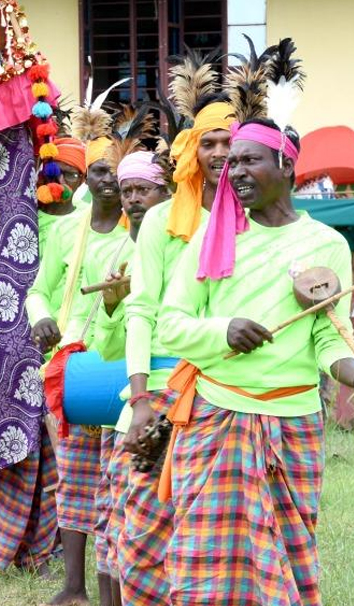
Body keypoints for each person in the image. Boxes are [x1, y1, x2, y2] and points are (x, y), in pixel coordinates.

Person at [157, 116, 354, 605]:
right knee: (204, 565)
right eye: (232, 163)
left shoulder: (326, 244)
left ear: (286, 165)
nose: (236, 171)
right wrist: (224, 329)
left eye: (250, 160)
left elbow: (330, 337)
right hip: (216, 416)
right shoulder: (213, 236)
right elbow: (170, 325)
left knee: (287, 559)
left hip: (294, 425)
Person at [116, 95, 237, 605]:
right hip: (165, 381)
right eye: (209, 143)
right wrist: (140, 398)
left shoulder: (253, 220)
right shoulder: (161, 221)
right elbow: (141, 310)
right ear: (192, 150)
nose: (219, 153)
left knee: (216, 526)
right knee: (145, 521)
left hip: (229, 387)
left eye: (228, 142)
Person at [27, 133, 129, 606]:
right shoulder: (69, 229)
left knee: (116, 481)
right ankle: (73, 587)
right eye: (100, 171)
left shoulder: (143, 229)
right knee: (74, 476)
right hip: (71, 368)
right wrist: (41, 319)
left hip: (123, 364)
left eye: (117, 172)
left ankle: (115, 590)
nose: (109, 181)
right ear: (85, 177)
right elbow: (37, 290)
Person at [85, 150, 172, 606]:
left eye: (144, 190)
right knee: (120, 517)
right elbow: (110, 350)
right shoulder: (114, 252)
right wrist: (112, 305)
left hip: (183, 395)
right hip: (133, 405)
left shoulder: (185, 244)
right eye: (127, 191)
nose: (134, 199)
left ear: (167, 193)